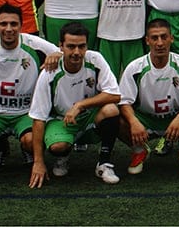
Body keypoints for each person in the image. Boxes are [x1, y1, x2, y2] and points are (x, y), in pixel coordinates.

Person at [0, 3, 60, 169]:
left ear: (21, 26)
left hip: (26, 114)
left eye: (14, 24)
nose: (9, 29)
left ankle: (27, 150)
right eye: (3, 24)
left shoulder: (36, 46)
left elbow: (70, 53)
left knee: (31, 142)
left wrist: (58, 55)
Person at [28, 21, 122, 188]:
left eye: (81, 46)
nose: (77, 52)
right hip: (61, 120)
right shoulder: (49, 73)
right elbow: (38, 119)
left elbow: (114, 94)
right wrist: (38, 162)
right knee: (58, 146)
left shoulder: (95, 59)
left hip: (88, 117)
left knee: (111, 110)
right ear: (61, 47)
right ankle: (63, 156)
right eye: (71, 46)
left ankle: (104, 164)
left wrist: (80, 105)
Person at [118, 19, 179, 176]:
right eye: (154, 38)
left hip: (174, 120)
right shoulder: (135, 68)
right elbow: (124, 102)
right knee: (117, 119)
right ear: (147, 41)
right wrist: (134, 122)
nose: (159, 43)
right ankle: (139, 151)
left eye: (164, 37)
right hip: (145, 120)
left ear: (171, 38)